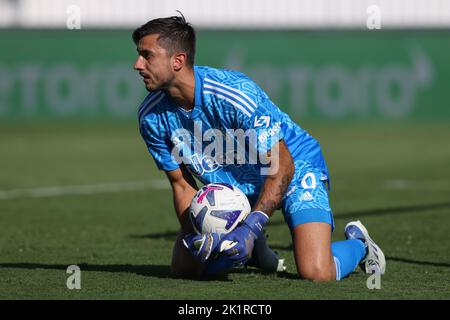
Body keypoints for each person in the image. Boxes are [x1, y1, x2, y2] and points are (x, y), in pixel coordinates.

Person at [132, 14, 386, 281]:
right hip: (235, 188)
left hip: (294, 167)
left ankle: (360, 244)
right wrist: (202, 235)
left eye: (147, 55)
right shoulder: (150, 117)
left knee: (316, 272)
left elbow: (282, 165)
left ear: (178, 61)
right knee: (186, 269)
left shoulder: (233, 95)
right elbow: (182, 186)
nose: (137, 64)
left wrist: (251, 228)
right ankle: (254, 252)